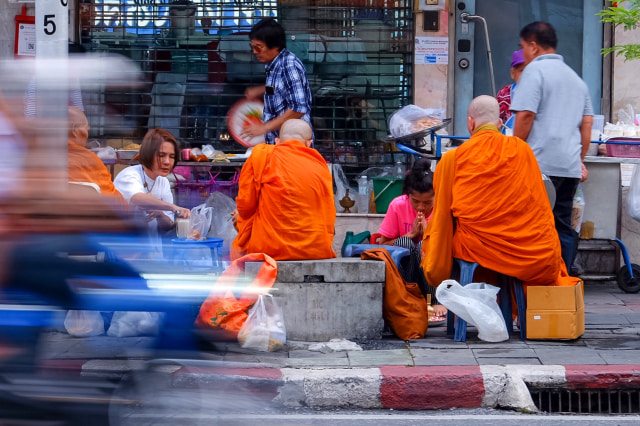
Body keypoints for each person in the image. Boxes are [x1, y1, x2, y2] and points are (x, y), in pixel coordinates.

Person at [421, 95, 580, 291]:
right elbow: (540, 207)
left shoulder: (453, 158)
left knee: (454, 238)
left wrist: (435, 263)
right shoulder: (522, 150)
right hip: (528, 251)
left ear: (471, 124)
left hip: (476, 250)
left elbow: (442, 214)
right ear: (499, 123)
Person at [511, 21, 594, 273]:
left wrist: (515, 149)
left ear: (534, 47)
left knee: (532, 224)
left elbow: (525, 115)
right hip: (568, 167)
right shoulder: (576, 79)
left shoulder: (534, 73)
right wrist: (578, 158)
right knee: (562, 225)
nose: (523, 52)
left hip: (539, 165)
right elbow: (587, 123)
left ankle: (536, 280)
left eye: (524, 47)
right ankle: (563, 278)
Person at [231, 119, 335, 260]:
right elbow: (328, 211)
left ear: (277, 141)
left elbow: (245, 206)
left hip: (270, 247)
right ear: (309, 143)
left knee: (241, 219)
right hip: (316, 248)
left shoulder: (262, 156)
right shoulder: (320, 165)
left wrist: (241, 216)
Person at [377, 159, 445, 317]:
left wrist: (428, 237)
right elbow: (383, 244)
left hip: (433, 278)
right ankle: (407, 298)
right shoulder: (397, 205)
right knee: (405, 242)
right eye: (415, 201)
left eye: (427, 202)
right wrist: (411, 234)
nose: (421, 207)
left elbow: (449, 245)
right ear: (408, 196)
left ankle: (434, 299)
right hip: (407, 274)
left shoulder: (442, 207)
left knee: (425, 245)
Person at [242, 18, 313, 144]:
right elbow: (282, 89)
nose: (254, 52)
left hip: (293, 146)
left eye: (259, 47)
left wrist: (264, 128)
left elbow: (298, 108)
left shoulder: (289, 66)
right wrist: (262, 90)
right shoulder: (275, 65)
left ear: (275, 46)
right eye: (252, 47)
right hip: (279, 143)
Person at [114, 128, 190, 236]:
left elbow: (168, 226)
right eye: (161, 155)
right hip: (125, 248)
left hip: (152, 250)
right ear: (148, 154)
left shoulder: (163, 182)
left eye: (171, 157)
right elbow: (137, 198)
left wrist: (160, 215)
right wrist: (173, 207)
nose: (167, 162)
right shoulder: (129, 175)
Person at [67, 106, 126, 206]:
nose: (88, 131)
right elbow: (117, 204)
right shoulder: (88, 161)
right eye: (86, 127)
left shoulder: (39, 157)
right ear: (75, 131)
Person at [496, 49, 525, 129]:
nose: (526, 75)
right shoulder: (504, 94)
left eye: (529, 70)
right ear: (513, 73)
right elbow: (494, 123)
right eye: (522, 71)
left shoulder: (541, 93)